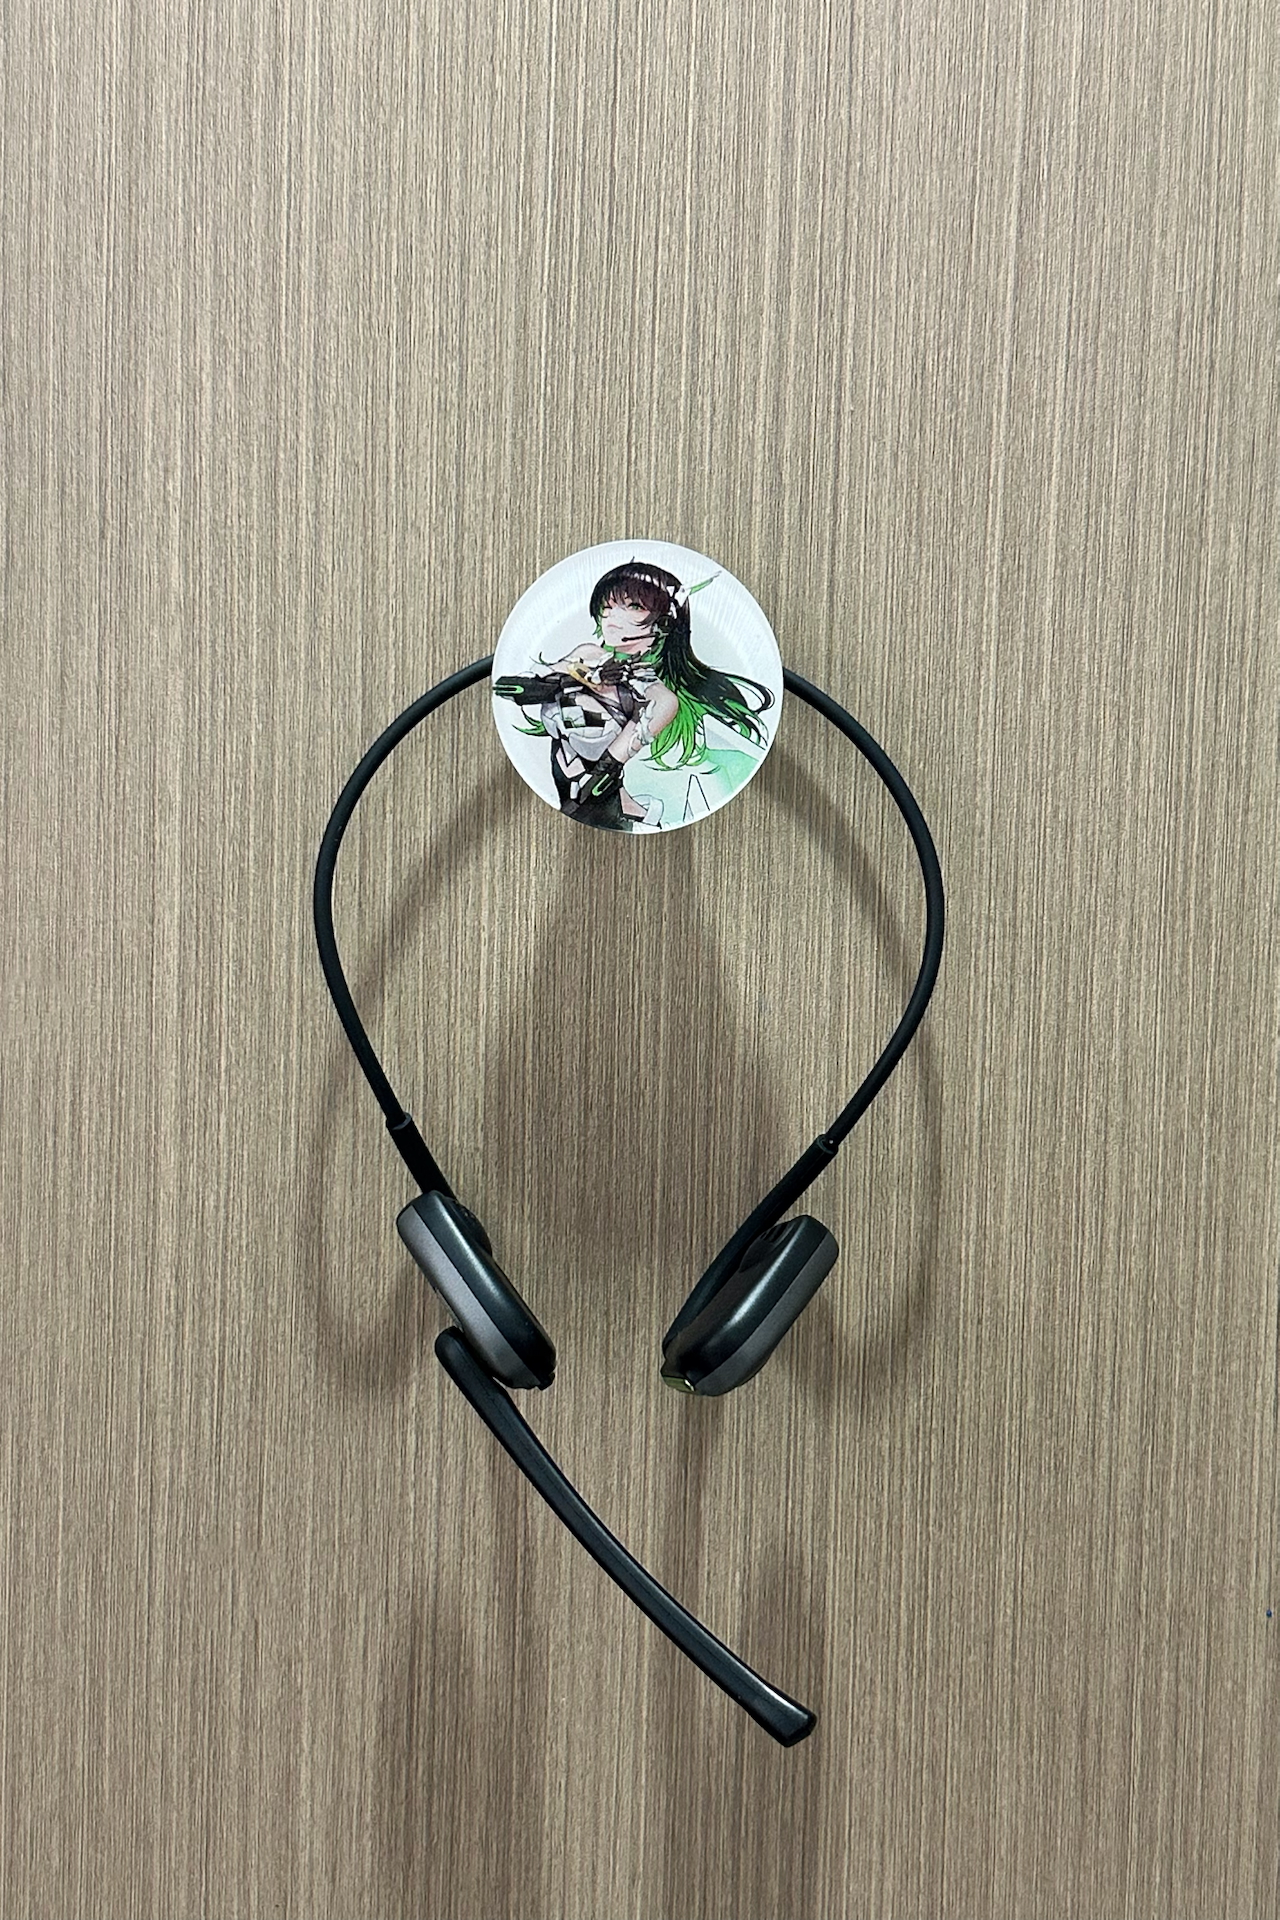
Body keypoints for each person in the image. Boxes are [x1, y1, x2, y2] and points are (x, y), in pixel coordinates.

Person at [494, 560, 774, 831]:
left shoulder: (657, 696)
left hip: (603, 802)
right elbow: (521, 686)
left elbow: (611, 762)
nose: (613, 618)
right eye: (608, 607)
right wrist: (573, 678)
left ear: (663, 624)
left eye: (634, 607)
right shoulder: (587, 654)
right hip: (559, 783)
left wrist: (600, 777)